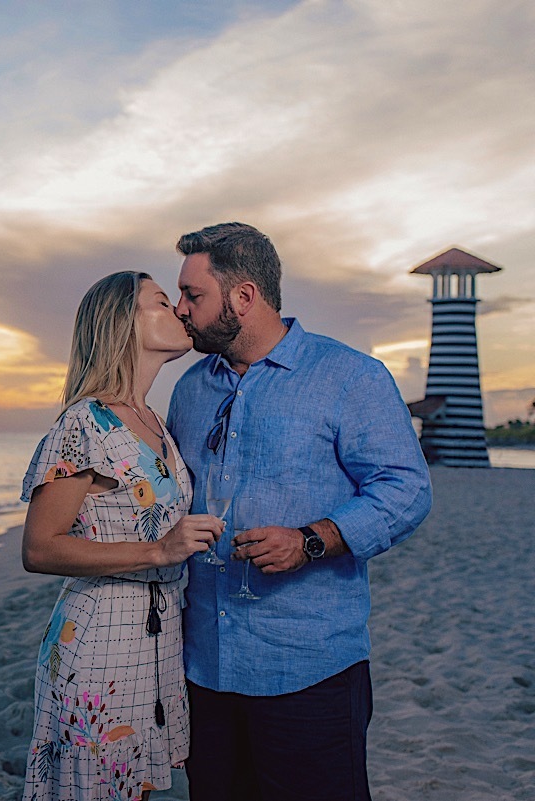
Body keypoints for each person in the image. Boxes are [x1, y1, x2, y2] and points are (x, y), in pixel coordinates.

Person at [164, 222, 432, 801]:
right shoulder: (188, 391)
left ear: (243, 297)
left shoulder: (350, 377)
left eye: (193, 294)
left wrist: (311, 540)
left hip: (310, 669)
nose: (180, 309)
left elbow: (407, 489)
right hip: (205, 668)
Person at [20, 271, 226, 801]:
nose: (180, 312)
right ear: (122, 323)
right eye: (162, 302)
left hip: (160, 640)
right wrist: (159, 550)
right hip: (100, 639)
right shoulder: (84, 424)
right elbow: (40, 547)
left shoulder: (155, 421)